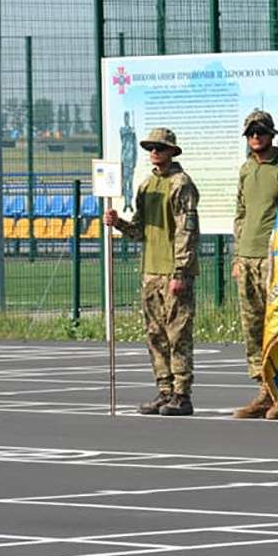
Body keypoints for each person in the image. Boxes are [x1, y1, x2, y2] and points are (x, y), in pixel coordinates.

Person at [103, 127, 199, 416]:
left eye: (160, 147)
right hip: (151, 271)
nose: (155, 152)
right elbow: (139, 231)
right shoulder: (146, 186)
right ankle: (165, 389)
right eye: (151, 148)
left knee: (178, 333)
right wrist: (118, 222)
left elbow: (186, 231)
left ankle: (182, 394)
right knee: (155, 334)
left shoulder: (180, 184)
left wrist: (180, 272)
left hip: (173, 271)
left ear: (172, 151)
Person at [231, 110, 278, 419]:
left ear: (271, 134)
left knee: (276, 328)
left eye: (261, 132)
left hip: (274, 259)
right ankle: (264, 391)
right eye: (251, 132)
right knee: (252, 329)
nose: (256, 137)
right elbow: (240, 213)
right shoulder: (246, 169)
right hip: (248, 259)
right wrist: (238, 255)